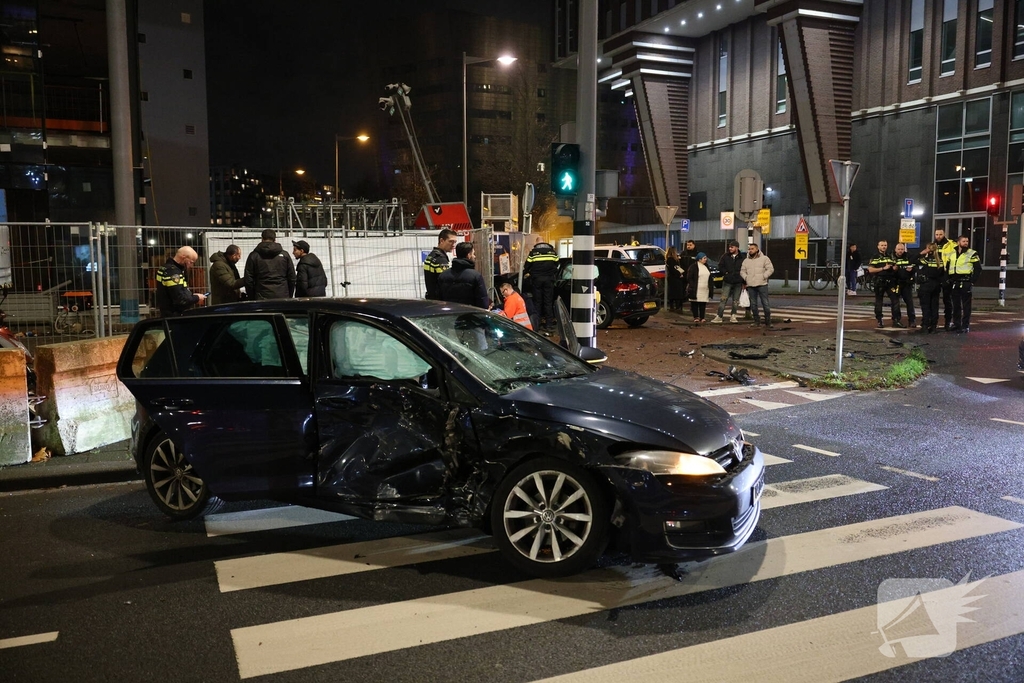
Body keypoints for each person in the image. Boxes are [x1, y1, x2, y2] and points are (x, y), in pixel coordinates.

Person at [244, 229, 295, 300]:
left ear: (262, 238)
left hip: (261, 296)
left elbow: (248, 280)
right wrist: (289, 294)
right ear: (275, 239)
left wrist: (252, 297)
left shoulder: (254, 255)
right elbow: (292, 277)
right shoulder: (285, 255)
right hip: (282, 295)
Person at [154, 246, 206, 316]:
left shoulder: (166, 268)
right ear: (183, 257)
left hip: (168, 313)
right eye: (191, 262)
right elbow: (180, 299)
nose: (191, 265)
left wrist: (190, 296)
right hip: (174, 315)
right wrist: (197, 298)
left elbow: (176, 292)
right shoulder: (173, 272)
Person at [438, 241, 490, 308]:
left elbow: (439, 299)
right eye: (473, 254)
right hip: (469, 315)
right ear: (468, 255)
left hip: (450, 315)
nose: (475, 256)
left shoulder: (443, 276)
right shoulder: (476, 276)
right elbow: (482, 302)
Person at [947, 234, 980, 333]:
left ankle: (965, 325)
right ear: (958, 242)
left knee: (966, 305)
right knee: (956, 305)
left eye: (967, 241)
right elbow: (949, 267)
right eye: (963, 241)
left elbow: (978, 269)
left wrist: (972, 281)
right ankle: (956, 324)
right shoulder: (952, 253)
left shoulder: (972, 253)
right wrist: (948, 279)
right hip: (955, 282)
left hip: (966, 281)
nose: (966, 243)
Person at [523, 241, 559, 331]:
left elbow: (526, 266)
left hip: (537, 280)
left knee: (537, 302)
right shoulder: (552, 252)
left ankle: (537, 325)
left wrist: (531, 273)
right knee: (548, 302)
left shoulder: (533, 253)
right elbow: (557, 264)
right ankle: (549, 325)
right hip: (549, 280)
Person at [866, 239, 902, 328]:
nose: (884, 247)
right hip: (879, 281)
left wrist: (895, 267)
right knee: (879, 301)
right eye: (882, 245)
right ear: (878, 246)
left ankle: (896, 320)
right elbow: (870, 269)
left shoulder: (890, 255)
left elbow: (895, 266)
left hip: (890, 281)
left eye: (885, 245)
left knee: (895, 300)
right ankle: (879, 320)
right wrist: (883, 268)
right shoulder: (875, 256)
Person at [739, 242, 774, 329]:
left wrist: (764, 276)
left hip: (762, 284)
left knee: (765, 303)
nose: (750, 251)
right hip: (751, 285)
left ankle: (768, 322)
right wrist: (746, 278)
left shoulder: (764, 259)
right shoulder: (746, 261)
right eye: (749, 249)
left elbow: (770, 269)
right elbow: (742, 271)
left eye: (752, 249)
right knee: (753, 304)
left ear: (757, 249)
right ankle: (756, 321)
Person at [711, 240, 744, 323]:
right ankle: (719, 316)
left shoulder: (742, 257)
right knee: (723, 299)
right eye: (729, 247)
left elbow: (745, 268)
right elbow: (720, 266)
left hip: (738, 281)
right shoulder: (725, 256)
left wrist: (742, 279)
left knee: (735, 300)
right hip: (728, 281)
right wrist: (725, 272)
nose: (730, 248)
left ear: (737, 247)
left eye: (732, 247)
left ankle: (733, 316)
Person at [915, 243, 945, 334]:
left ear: (928, 249)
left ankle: (925, 326)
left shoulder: (926, 260)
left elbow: (912, 260)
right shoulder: (940, 261)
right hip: (936, 286)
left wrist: (922, 253)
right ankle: (933, 327)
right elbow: (942, 274)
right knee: (934, 307)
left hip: (926, 285)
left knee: (926, 306)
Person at [424, 229, 458, 300]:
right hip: (440, 300)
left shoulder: (431, 255)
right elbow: (446, 283)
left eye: (455, 242)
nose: (453, 245)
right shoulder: (441, 259)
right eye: (450, 241)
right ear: (441, 240)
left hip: (432, 298)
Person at [933, 228, 956, 329]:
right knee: (934, 300)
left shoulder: (951, 245)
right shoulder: (932, 245)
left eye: (940, 234)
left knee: (947, 300)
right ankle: (933, 322)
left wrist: (951, 276)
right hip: (935, 275)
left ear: (944, 234)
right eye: (937, 234)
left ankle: (948, 322)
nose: (938, 236)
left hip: (946, 274)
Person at [892, 242, 917, 327]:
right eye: (899, 249)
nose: (900, 251)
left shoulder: (909, 257)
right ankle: (896, 320)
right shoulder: (891, 257)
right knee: (895, 303)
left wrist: (912, 269)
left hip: (906, 283)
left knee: (909, 302)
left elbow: (915, 267)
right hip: (896, 284)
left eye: (902, 249)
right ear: (895, 250)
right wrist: (893, 270)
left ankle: (912, 320)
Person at [686, 252, 712, 324]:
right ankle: (696, 317)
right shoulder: (693, 267)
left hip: (705, 288)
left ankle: (702, 317)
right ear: (699, 259)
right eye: (704, 258)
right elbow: (689, 277)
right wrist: (692, 285)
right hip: (696, 288)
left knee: (703, 303)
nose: (706, 259)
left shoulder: (706, 266)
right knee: (695, 303)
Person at [665, 246, 686, 312]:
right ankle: (677, 307)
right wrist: (680, 274)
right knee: (677, 293)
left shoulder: (670, 259)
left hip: (672, 278)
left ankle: (673, 307)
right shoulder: (671, 260)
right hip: (675, 278)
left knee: (673, 293)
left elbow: (675, 267)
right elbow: (674, 268)